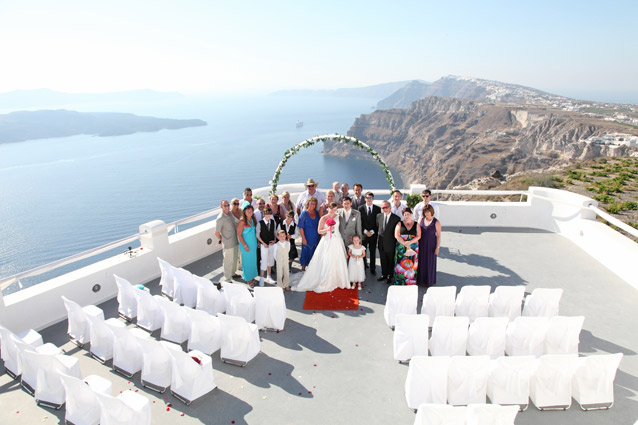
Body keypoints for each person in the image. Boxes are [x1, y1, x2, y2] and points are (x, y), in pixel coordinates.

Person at [293, 202, 350, 293]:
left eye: (335, 210)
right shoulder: (323, 218)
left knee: (338, 259)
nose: (333, 212)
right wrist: (327, 229)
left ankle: (339, 280)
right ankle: (325, 280)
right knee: (327, 260)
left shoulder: (338, 216)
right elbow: (319, 231)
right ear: (328, 209)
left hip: (337, 240)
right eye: (331, 210)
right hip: (327, 240)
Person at [214, 200, 241, 282]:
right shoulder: (220, 218)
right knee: (228, 261)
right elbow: (216, 232)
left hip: (235, 241)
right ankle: (227, 279)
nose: (227, 207)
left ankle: (233, 273)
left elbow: (237, 222)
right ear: (221, 207)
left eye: (228, 205)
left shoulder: (230, 214)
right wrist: (221, 239)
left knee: (234, 259)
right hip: (228, 243)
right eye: (225, 205)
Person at [393, 208, 421, 285]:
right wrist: (404, 243)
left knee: (412, 265)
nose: (406, 216)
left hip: (413, 247)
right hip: (401, 247)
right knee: (400, 264)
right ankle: (399, 281)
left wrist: (410, 242)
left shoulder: (416, 224)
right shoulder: (399, 223)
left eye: (408, 214)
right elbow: (397, 235)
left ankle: (410, 282)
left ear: (411, 214)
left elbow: (418, 236)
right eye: (405, 215)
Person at [376, 201, 401, 283]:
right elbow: (378, 227)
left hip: (391, 243)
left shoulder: (396, 218)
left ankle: (390, 276)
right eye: (383, 207)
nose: (385, 209)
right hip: (381, 243)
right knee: (383, 259)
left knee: (390, 260)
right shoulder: (378, 216)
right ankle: (384, 275)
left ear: (390, 208)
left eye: (386, 207)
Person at [417, 205, 441, 287]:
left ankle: (429, 280)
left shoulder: (436, 222)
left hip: (431, 245)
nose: (427, 213)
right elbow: (418, 232)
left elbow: (438, 236)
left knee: (430, 262)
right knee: (421, 261)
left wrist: (437, 247)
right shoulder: (421, 220)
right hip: (422, 244)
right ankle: (420, 280)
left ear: (431, 211)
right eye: (425, 212)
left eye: (428, 211)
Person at [358, 191, 381, 275]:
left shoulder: (377, 209)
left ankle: (372, 268)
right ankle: (363, 267)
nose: (369, 199)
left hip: (373, 234)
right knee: (363, 251)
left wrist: (372, 231)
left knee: (372, 252)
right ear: (365, 199)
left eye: (370, 198)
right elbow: (359, 222)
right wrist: (365, 231)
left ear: (373, 199)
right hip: (364, 234)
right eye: (367, 198)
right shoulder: (360, 208)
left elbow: (378, 222)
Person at [237, 202, 259, 286]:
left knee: (253, 261)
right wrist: (245, 245)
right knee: (247, 262)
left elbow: (255, 232)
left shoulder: (253, 220)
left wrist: (257, 242)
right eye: (248, 211)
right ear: (244, 212)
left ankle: (252, 277)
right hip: (246, 245)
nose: (249, 212)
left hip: (253, 245)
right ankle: (248, 279)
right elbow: (239, 234)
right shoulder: (242, 222)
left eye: (251, 210)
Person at [298, 196, 320, 271]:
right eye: (311, 203)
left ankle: (313, 270)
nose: (312, 205)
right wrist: (303, 238)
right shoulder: (304, 214)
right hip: (307, 237)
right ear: (308, 204)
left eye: (314, 204)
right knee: (305, 252)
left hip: (316, 237)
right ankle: (303, 270)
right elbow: (301, 227)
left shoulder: (317, 213)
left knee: (315, 253)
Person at [257, 208, 277, 286]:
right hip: (264, 245)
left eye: (269, 213)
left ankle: (269, 276)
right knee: (264, 260)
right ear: (264, 214)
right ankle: (262, 278)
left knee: (270, 260)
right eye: (266, 213)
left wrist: (275, 239)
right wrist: (263, 243)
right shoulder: (260, 223)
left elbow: (274, 231)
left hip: (271, 244)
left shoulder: (272, 222)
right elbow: (257, 235)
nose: (268, 215)